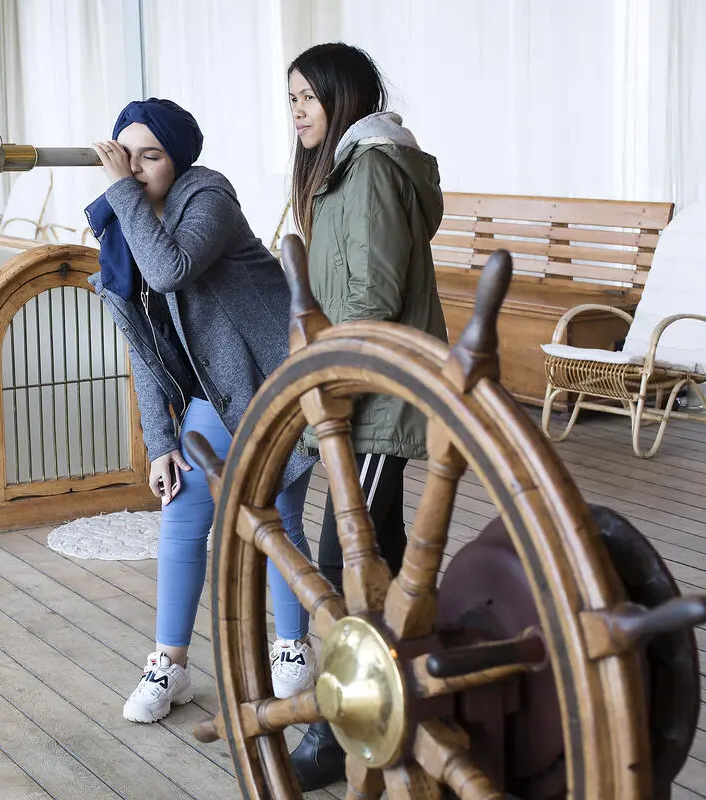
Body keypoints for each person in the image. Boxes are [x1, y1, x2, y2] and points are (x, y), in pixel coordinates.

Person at [85, 98, 318, 724]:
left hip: (267, 377)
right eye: (123, 155)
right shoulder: (125, 228)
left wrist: (122, 194)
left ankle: (293, 648)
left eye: (150, 156)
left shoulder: (206, 196)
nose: (133, 170)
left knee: (275, 514)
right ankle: (172, 664)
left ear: (179, 159)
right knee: (184, 511)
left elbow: (169, 270)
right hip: (209, 392)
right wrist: (160, 441)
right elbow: (140, 340)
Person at [284, 43, 448, 789]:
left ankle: (335, 734)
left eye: (309, 99)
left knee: (340, 563)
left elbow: (374, 294)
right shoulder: (342, 172)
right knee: (376, 558)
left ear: (342, 98)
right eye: (291, 100)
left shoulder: (374, 168)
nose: (297, 113)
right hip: (349, 387)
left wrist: (323, 362)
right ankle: (405, 705)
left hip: (375, 393)